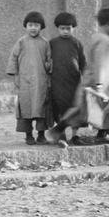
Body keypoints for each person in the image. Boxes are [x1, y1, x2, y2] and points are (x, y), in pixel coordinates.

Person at [47, 8, 109, 145]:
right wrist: (99, 85)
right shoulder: (103, 40)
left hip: (104, 82)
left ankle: (102, 133)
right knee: (82, 110)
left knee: (105, 109)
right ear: (108, 25)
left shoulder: (101, 38)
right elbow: (99, 63)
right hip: (97, 82)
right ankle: (57, 130)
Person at [5, 11, 52, 145]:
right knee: (26, 108)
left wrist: (50, 66)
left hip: (41, 82)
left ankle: (41, 135)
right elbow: (13, 58)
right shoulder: (21, 42)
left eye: (36, 25)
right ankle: (28, 135)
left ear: (41, 27)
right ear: (26, 26)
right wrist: (15, 75)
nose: (33, 28)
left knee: (41, 107)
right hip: (24, 81)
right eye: (30, 25)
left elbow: (49, 60)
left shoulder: (45, 43)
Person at [48, 12, 86, 146]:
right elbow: (47, 61)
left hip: (74, 82)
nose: (65, 31)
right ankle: (61, 135)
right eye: (62, 28)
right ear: (57, 28)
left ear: (73, 28)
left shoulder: (77, 43)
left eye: (68, 28)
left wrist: (84, 78)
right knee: (60, 107)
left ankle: (75, 135)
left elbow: (83, 63)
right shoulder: (52, 43)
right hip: (57, 82)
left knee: (76, 108)